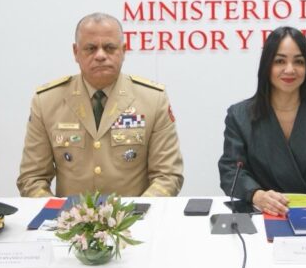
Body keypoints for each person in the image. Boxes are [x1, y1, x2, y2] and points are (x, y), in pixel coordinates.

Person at [18, 13, 183, 197]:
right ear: (76, 52)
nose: (100, 55)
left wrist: (139, 210)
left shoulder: (153, 100)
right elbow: (32, 178)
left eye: (109, 48)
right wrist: (58, 212)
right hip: (67, 215)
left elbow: (167, 175)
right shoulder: (47, 102)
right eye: (90, 48)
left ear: (124, 50)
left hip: (135, 214)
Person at [219, 26, 306, 217]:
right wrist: (257, 195)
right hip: (260, 214)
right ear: (267, 65)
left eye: (299, 61)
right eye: (280, 61)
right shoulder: (239, 115)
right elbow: (230, 171)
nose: (290, 69)